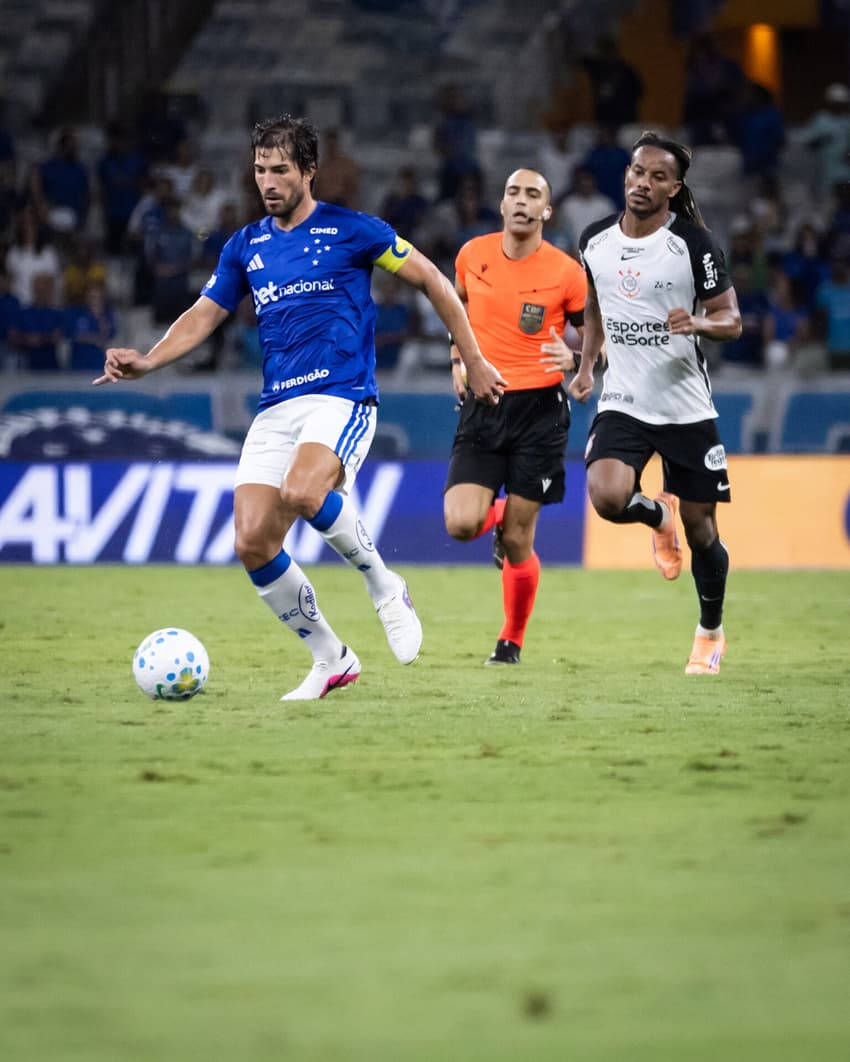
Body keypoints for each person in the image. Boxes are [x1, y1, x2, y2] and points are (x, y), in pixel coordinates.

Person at [94, 114, 505, 700]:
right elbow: (205, 313)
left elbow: (435, 282)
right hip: (276, 406)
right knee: (251, 541)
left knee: (303, 491)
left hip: (341, 397)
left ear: (309, 171)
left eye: (280, 169)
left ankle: (384, 585)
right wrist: (150, 359)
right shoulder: (246, 245)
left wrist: (475, 358)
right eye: (260, 170)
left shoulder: (355, 231)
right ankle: (331, 657)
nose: (268, 181)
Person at [570, 131, 742, 675]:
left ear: (675, 186)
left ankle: (709, 631)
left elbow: (732, 320)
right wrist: (585, 365)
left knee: (703, 531)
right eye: (636, 172)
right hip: (623, 398)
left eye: (656, 176)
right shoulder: (594, 239)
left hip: (685, 406)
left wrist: (699, 323)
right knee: (607, 495)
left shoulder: (694, 244)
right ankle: (655, 514)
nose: (642, 183)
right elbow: (595, 304)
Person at [443, 168, 587, 665]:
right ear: (502, 206)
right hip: (484, 406)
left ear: (547, 211)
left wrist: (581, 360)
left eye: (533, 195)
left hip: (540, 415)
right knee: (462, 524)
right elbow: (454, 310)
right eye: (513, 193)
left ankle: (511, 640)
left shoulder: (567, 272)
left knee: (519, 542)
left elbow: (599, 334)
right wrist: (459, 360)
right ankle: (499, 515)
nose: (521, 202)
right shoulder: (472, 255)